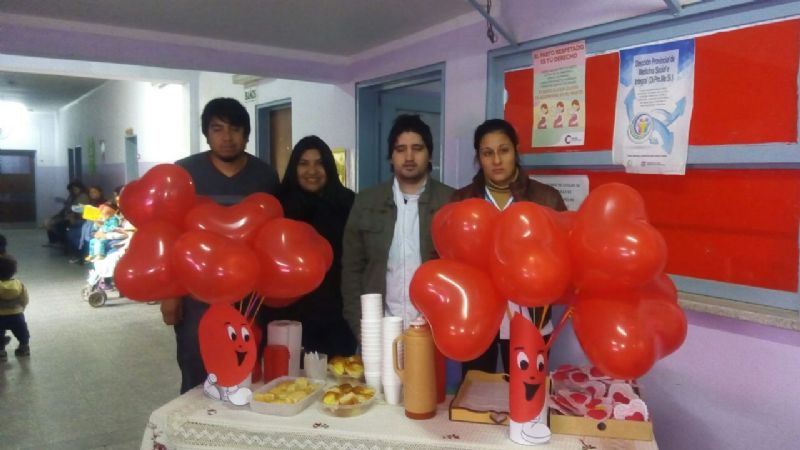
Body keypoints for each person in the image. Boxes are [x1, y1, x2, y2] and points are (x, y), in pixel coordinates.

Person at [161, 97, 279, 394]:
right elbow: (171, 233)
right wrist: (170, 293)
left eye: (235, 129)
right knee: (196, 364)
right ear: (206, 133)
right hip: (196, 292)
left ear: (247, 135)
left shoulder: (265, 175)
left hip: (249, 293)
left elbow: (271, 234)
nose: (227, 137)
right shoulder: (185, 173)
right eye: (218, 129)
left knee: (245, 366)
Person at [451, 118, 566, 375]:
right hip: (477, 315)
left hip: (530, 314)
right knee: (477, 388)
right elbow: (447, 258)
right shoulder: (462, 200)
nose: (496, 160)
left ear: (516, 150)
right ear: (479, 157)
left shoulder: (546, 198)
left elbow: (563, 257)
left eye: (503, 150)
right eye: (487, 153)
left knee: (527, 389)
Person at [342, 114, 454, 337]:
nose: (409, 157)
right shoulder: (366, 202)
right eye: (401, 149)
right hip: (379, 329)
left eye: (417, 148)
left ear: (429, 155)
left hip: (434, 330)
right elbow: (351, 270)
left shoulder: (450, 202)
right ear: (391, 157)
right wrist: (361, 326)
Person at [269, 135, 357, 357]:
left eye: (319, 163)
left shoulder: (349, 203)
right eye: (303, 163)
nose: (312, 171)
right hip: (288, 315)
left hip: (337, 312)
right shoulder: (277, 205)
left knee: (339, 372)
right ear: (293, 167)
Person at [0, 254, 30, 361]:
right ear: (14, 271)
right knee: (22, 332)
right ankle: (24, 347)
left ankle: (1, 352)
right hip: (17, 315)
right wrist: (21, 308)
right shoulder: (19, 284)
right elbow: (25, 299)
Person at [44, 180, 88, 247]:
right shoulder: (72, 196)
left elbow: (81, 209)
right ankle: (54, 241)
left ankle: (61, 242)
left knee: (59, 224)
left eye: (75, 189)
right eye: (72, 190)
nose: (74, 191)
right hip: (68, 215)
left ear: (80, 188)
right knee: (48, 222)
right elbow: (67, 207)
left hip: (77, 217)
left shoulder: (83, 196)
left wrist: (70, 209)